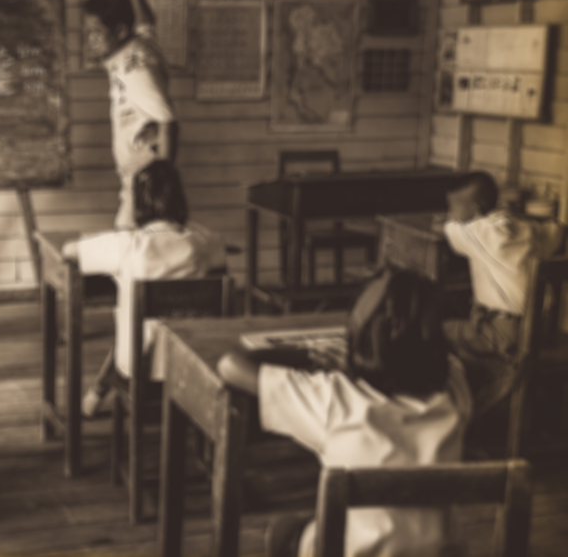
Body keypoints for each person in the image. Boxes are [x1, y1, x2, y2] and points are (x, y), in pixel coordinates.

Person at [217, 268, 472, 557]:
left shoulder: (334, 399)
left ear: (360, 338)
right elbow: (449, 360)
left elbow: (231, 365)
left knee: (286, 530)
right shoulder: (455, 394)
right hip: (437, 553)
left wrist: (313, 354)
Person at [63, 160, 226, 412]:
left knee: (134, 330)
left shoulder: (127, 245)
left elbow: (69, 250)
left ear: (138, 202)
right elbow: (220, 253)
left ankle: (95, 397)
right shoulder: (202, 243)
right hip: (189, 367)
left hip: (138, 370)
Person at [442, 171, 562, 415]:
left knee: (438, 332)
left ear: (475, 210)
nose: (450, 213)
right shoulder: (524, 228)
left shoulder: (482, 232)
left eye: (452, 207)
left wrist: (448, 221)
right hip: (539, 326)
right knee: (465, 323)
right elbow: (556, 231)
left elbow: (450, 229)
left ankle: (468, 405)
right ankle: (491, 386)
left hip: (503, 332)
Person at [82, 0, 178, 230]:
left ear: (121, 31)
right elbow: (147, 23)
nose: (90, 40)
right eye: (88, 32)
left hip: (145, 181)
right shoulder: (138, 43)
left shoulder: (135, 70)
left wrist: (162, 187)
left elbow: (168, 122)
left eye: (96, 33)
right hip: (135, 178)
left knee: (130, 244)